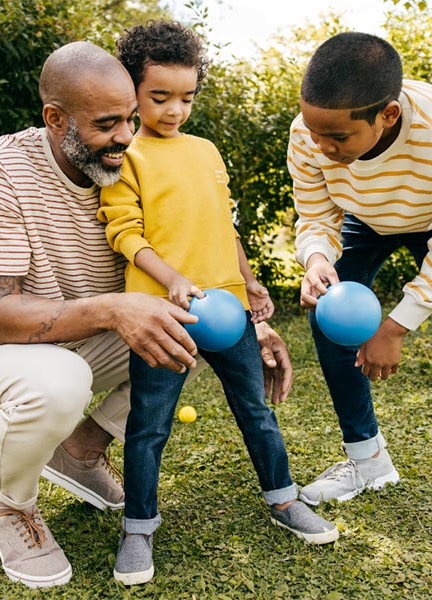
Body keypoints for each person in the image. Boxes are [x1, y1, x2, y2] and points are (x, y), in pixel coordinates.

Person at [0, 40, 295, 590]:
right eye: (106, 124)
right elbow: (1, 318)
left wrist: (252, 322)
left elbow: (202, 251)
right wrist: (117, 308)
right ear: (55, 119)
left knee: (184, 336)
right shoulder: (0, 170)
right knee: (61, 380)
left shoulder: (132, 163)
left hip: (85, 337)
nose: (126, 136)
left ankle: (80, 450)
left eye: (129, 117)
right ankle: (11, 507)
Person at [98, 20, 338, 587]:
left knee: (255, 409)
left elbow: (223, 226)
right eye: (159, 97)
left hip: (228, 308)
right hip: (164, 312)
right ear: (131, 90)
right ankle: (138, 527)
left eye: (186, 97)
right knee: (149, 424)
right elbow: (124, 233)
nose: (174, 109)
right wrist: (173, 278)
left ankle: (283, 500)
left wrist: (249, 282)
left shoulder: (206, 150)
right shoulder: (125, 154)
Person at [287, 32, 432, 546]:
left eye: (339, 138)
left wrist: (394, 327)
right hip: (365, 220)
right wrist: (317, 258)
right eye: (314, 130)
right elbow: (316, 211)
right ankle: (367, 461)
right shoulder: (312, 130)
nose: (322, 146)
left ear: (387, 115)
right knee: (328, 316)